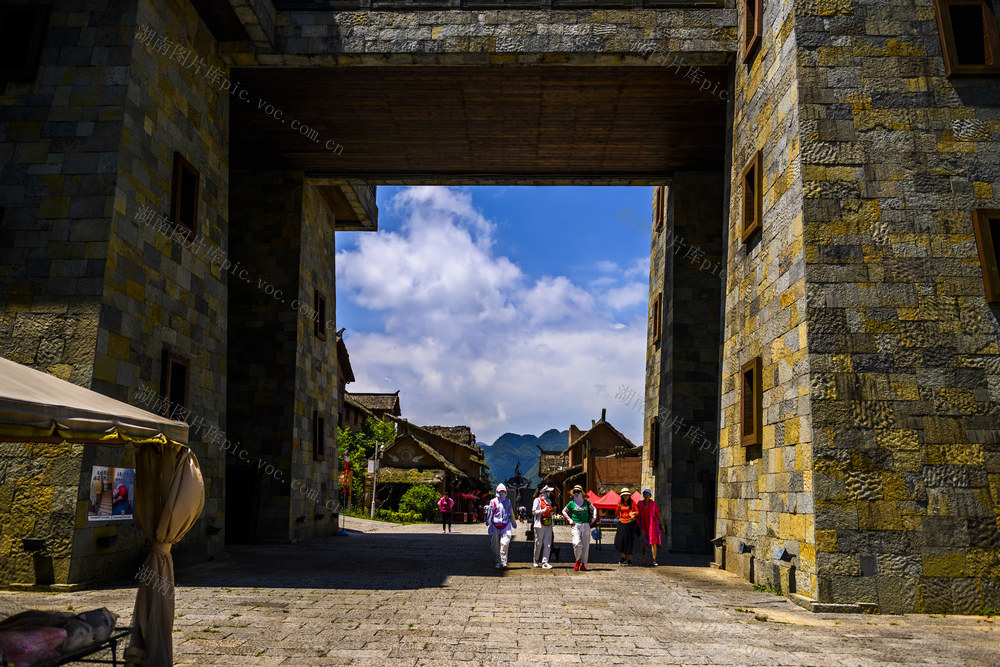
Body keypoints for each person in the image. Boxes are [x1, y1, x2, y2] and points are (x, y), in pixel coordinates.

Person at [561, 484, 597, 571]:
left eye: (578, 491)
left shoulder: (586, 502)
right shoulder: (571, 503)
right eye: (575, 492)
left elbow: (594, 508)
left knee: (585, 545)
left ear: (582, 493)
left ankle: (583, 563)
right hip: (576, 525)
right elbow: (564, 511)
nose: (577, 493)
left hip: (585, 525)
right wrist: (569, 519)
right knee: (577, 544)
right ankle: (577, 560)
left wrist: (594, 518)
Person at [485, 483, 516, 569]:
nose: (502, 493)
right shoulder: (493, 501)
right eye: (500, 492)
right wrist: (488, 521)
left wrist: (513, 523)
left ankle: (504, 561)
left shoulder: (508, 501)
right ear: (497, 491)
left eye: (503, 491)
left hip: (506, 525)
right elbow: (491, 512)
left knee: (505, 543)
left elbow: (511, 512)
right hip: (495, 525)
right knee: (495, 545)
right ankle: (498, 561)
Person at [637, 488, 665, 566]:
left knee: (654, 542)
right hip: (643, 525)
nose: (646, 495)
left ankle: (654, 560)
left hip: (652, 525)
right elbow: (636, 513)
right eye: (644, 494)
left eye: (647, 494)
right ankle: (644, 555)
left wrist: (662, 525)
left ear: (650, 496)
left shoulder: (653, 504)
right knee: (643, 542)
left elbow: (658, 514)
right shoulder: (639, 503)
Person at [531, 486, 556, 569]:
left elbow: (549, 512)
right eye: (548, 491)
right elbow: (534, 511)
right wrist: (544, 510)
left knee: (548, 543)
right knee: (538, 543)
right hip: (539, 524)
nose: (550, 493)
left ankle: (545, 561)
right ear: (544, 492)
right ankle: (535, 560)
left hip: (548, 523)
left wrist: (551, 511)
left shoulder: (549, 501)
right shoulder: (537, 500)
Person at [614, 487, 639, 565]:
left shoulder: (632, 502)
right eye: (624, 495)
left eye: (626, 495)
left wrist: (633, 513)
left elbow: (637, 512)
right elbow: (617, 512)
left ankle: (629, 559)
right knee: (621, 540)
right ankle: (623, 557)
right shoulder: (619, 503)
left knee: (630, 541)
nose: (625, 496)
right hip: (622, 522)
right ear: (622, 496)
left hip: (630, 523)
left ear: (629, 495)